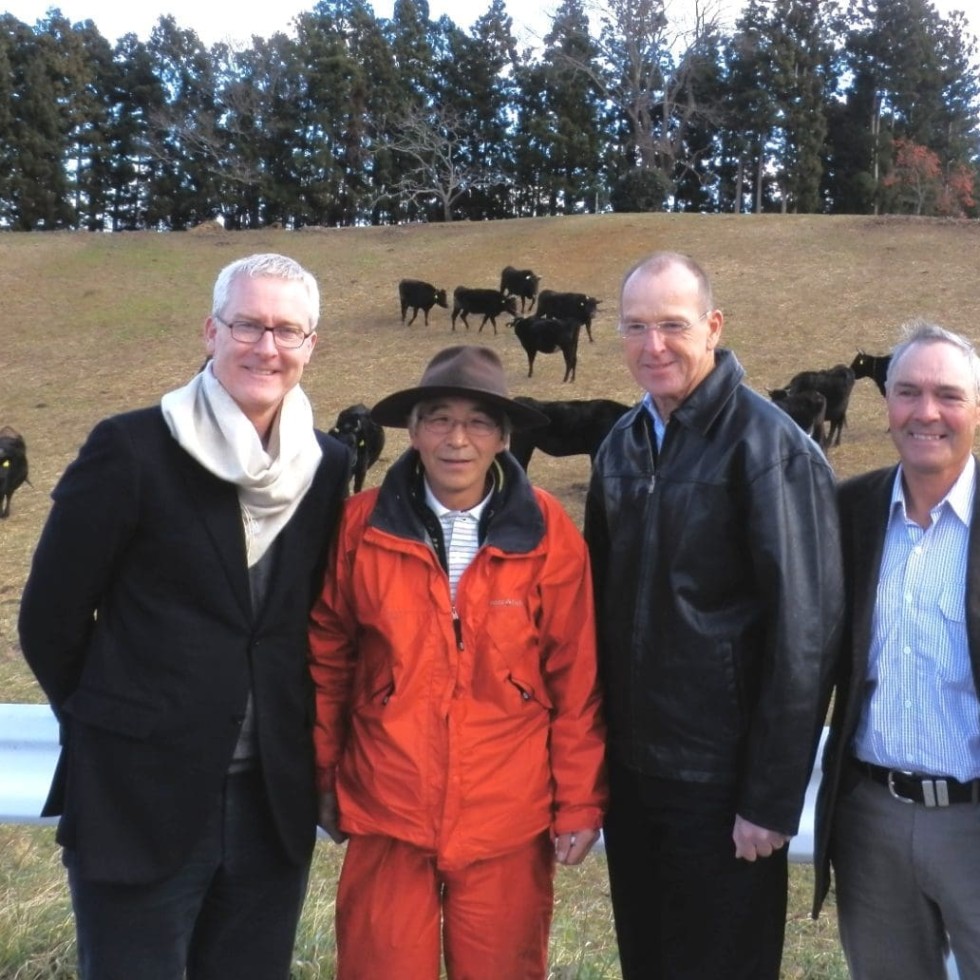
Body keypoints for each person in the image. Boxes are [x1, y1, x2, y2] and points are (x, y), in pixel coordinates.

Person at [18, 253, 350, 980]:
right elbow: (50, 619)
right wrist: (114, 727)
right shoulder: (133, 448)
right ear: (210, 330)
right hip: (140, 795)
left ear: (311, 345)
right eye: (249, 325)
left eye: (288, 331)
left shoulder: (327, 466)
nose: (267, 347)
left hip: (269, 799)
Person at [308, 344, 607, 980]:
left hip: (508, 815)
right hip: (388, 805)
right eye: (439, 418)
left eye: (477, 422)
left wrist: (579, 799)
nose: (457, 439)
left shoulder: (550, 533)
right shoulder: (358, 529)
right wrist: (322, 773)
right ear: (412, 432)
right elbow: (327, 661)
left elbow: (574, 675)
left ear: (503, 437)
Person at [584, 251, 844, 980]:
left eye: (672, 325)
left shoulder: (769, 450)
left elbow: (807, 634)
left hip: (721, 781)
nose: (653, 345)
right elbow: (598, 612)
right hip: (636, 774)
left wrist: (769, 796)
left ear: (714, 326)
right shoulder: (623, 445)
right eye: (636, 326)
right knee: (650, 957)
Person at [814, 321, 980, 979]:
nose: (926, 412)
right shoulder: (847, 511)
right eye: (907, 392)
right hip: (872, 821)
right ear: (886, 402)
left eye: (948, 395)